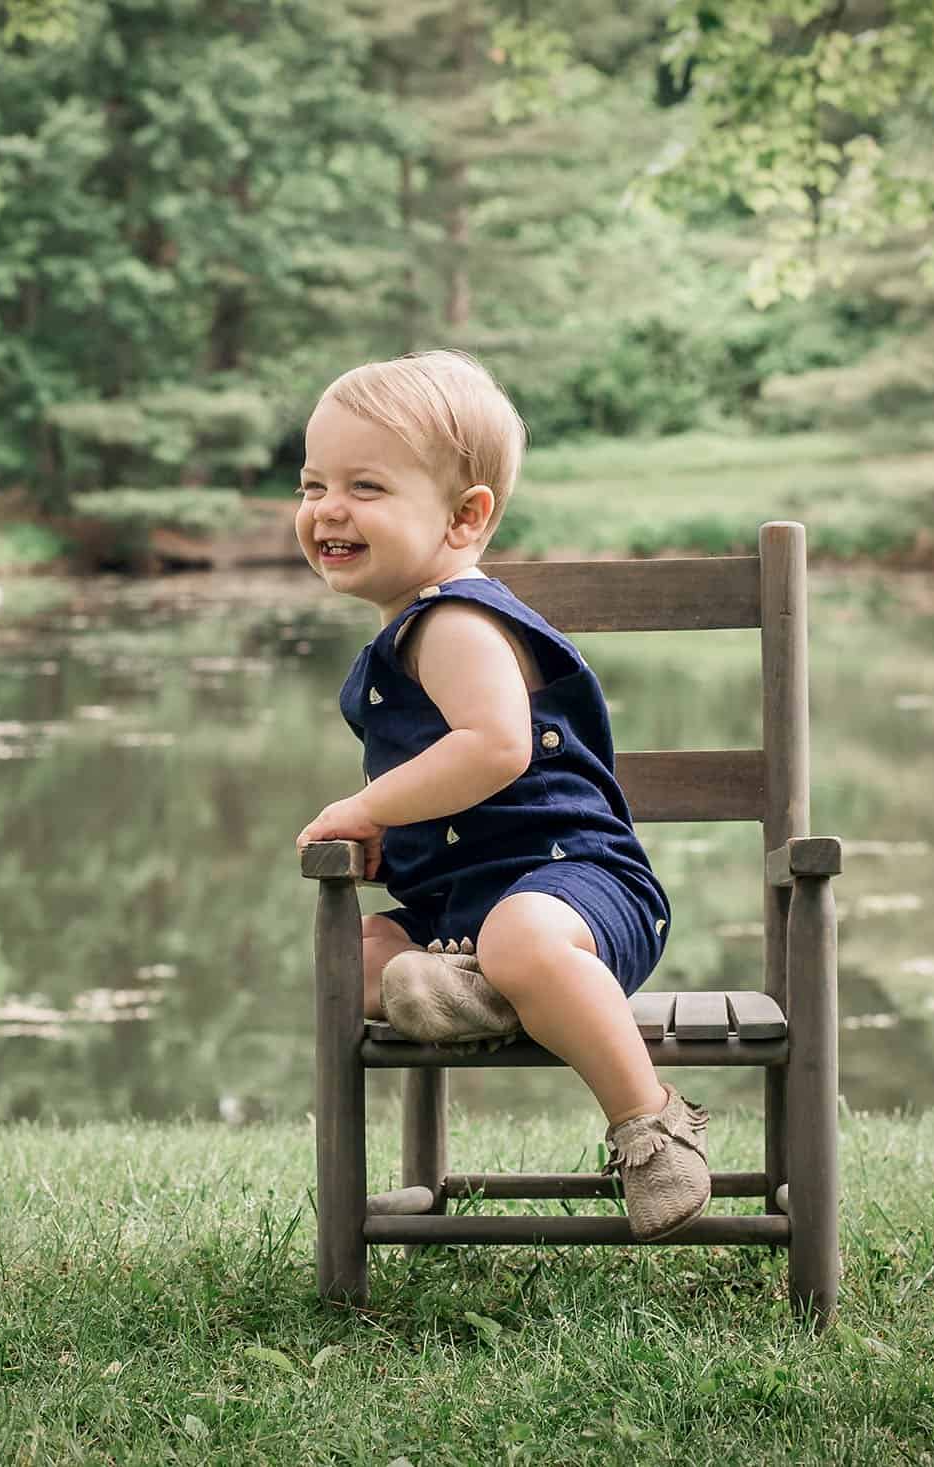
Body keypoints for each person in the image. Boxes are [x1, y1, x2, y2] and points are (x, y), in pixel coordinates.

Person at [292, 349, 709, 1241]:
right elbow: (444, 788)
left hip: (582, 892)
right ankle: (472, 984)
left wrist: (370, 806)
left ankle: (655, 1127)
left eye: (365, 486)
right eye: (313, 482)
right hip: (461, 909)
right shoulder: (406, 633)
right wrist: (393, 835)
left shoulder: (456, 622)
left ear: (464, 516)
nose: (327, 507)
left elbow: (496, 746)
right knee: (360, 956)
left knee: (521, 937)